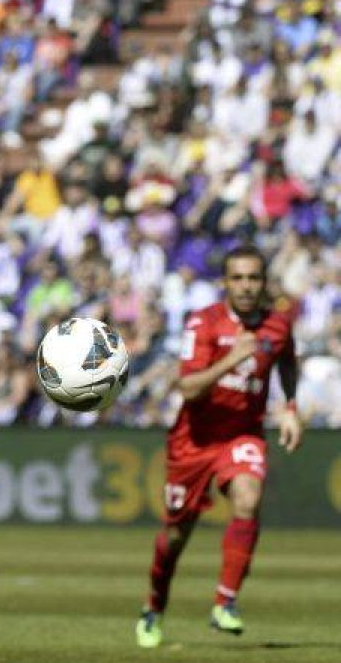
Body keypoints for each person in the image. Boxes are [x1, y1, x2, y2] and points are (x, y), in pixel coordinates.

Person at [135, 245, 302, 648]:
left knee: (248, 497)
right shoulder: (203, 322)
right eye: (238, 278)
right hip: (193, 440)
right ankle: (154, 606)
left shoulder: (278, 326)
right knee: (176, 536)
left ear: (264, 283)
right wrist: (233, 358)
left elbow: (287, 362)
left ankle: (225, 603)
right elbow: (188, 387)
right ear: (225, 282)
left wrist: (290, 407)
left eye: (254, 278)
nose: (246, 286)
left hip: (242, 434)